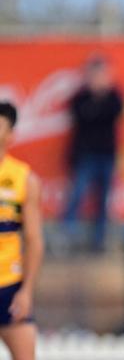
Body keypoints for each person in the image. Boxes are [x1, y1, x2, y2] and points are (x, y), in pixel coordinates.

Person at [63, 54, 123, 253]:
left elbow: (112, 114)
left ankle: (99, 240)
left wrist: (99, 103)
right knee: (76, 195)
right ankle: (67, 237)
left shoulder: (114, 96)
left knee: (104, 199)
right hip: (85, 155)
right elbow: (82, 116)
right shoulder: (80, 97)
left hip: (107, 155)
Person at [0, 102, 44, 360]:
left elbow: (34, 239)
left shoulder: (24, 179)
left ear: (11, 135)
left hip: (8, 284)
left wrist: (26, 290)